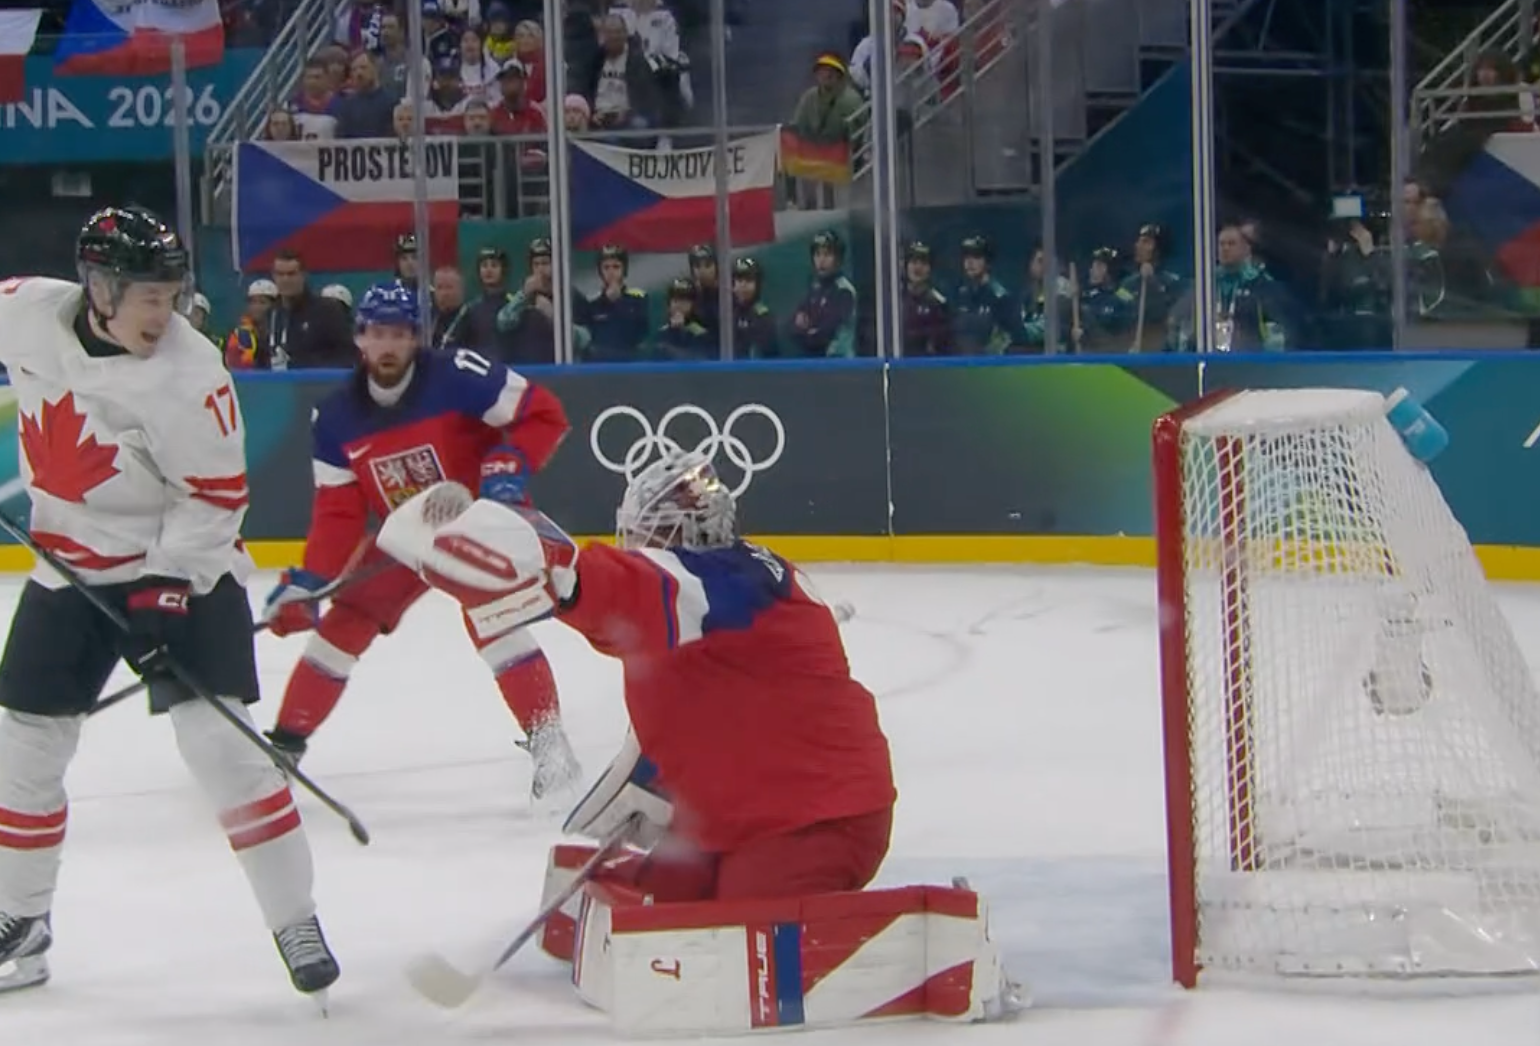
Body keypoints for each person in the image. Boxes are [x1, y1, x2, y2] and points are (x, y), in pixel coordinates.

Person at [0, 206, 338, 998]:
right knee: (24, 746)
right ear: (98, 288)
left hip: (186, 567)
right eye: (147, 295)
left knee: (221, 751)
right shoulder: (23, 310)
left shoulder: (191, 375)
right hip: (68, 568)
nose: (165, 311)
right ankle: (24, 919)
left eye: (171, 293)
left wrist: (164, 590)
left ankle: (295, 917)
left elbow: (217, 498)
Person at [375, 448, 897, 901]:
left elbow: (591, 582)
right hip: (749, 820)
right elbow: (664, 738)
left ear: (675, 530)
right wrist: (588, 836)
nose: (637, 544)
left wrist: (529, 560)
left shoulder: (702, 584)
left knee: (724, 938)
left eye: (646, 533)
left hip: (819, 820)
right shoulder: (732, 584)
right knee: (643, 902)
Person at [262, 282, 583, 802]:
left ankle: (551, 745)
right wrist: (310, 581)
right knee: (342, 625)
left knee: (496, 622)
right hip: (402, 536)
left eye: (399, 334)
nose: (387, 345)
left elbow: (544, 413)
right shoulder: (336, 417)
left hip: (474, 522)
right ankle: (284, 748)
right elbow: (338, 512)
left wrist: (502, 470)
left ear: (416, 338)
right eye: (377, 334)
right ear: (360, 339)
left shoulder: (459, 375)